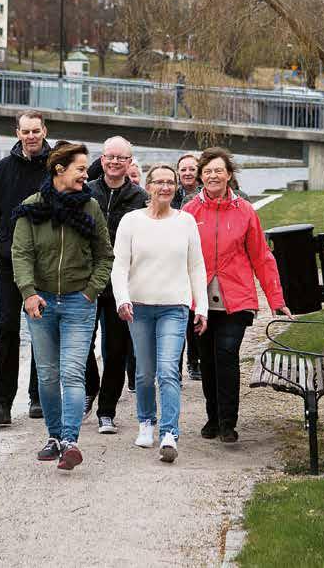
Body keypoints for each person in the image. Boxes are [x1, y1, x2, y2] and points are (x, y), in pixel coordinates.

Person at [11, 141, 113, 470]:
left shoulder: (90, 208)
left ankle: (70, 441)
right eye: (81, 169)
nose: (87, 175)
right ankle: (54, 436)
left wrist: (91, 291)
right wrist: (28, 293)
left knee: (72, 373)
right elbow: (21, 254)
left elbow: (105, 255)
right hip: (40, 302)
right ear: (60, 170)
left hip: (78, 303)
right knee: (48, 375)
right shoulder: (32, 207)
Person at [185, 147, 291, 442]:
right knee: (207, 359)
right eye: (207, 171)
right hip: (201, 301)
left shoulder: (245, 211)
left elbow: (261, 257)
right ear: (200, 177)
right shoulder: (190, 212)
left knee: (226, 355)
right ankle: (212, 417)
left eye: (218, 170)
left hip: (237, 299)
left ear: (229, 175)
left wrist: (276, 299)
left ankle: (228, 421)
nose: (213, 176)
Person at [112, 164, 208, 463]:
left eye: (170, 183)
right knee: (144, 372)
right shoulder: (131, 221)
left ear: (176, 187)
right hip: (138, 307)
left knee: (168, 371)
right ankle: (146, 422)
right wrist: (122, 299)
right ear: (148, 186)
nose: (165, 187)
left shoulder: (186, 221)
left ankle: (169, 433)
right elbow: (120, 266)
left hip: (174, 307)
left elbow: (196, 266)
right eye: (159, 182)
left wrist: (200, 306)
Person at [0, 110, 49, 425]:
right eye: (25, 131)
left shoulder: (55, 168)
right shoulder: (2, 170)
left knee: (40, 330)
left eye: (36, 131)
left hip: (44, 262)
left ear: (44, 131)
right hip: (8, 262)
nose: (31, 137)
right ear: (18, 133)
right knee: (7, 329)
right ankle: (1, 402)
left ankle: (38, 396)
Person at [83, 136, 147, 433]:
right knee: (82, 342)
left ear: (129, 162)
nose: (114, 162)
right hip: (86, 280)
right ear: (102, 158)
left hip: (122, 283)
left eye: (121, 158)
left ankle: (106, 410)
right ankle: (90, 387)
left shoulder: (139, 198)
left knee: (116, 349)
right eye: (110, 156)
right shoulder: (86, 192)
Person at [173, 153, 203, 379]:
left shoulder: (204, 197)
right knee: (176, 318)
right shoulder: (172, 195)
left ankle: (195, 361)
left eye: (192, 169)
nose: (187, 173)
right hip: (174, 263)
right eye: (183, 169)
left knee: (194, 314)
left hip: (196, 261)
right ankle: (176, 367)